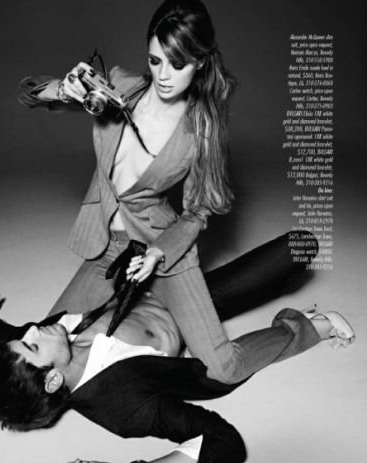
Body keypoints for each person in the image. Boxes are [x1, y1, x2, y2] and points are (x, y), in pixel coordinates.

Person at [17, 0, 298, 385]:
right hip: (106, 246)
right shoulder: (119, 88)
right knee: (50, 350)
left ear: (200, 62)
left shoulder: (202, 130)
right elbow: (28, 93)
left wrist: (157, 254)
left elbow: (197, 213)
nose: (163, 75)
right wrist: (62, 90)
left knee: (223, 369)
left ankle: (307, 327)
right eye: (155, 61)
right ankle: (151, 305)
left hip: (159, 246)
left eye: (177, 64)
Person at [0, 235, 355, 463]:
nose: (33, 330)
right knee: (294, 255)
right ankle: (308, 327)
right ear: (53, 379)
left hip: (163, 286)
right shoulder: (124, 408)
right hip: (198, 321)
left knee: (300, 246)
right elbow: (223, 442)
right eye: (31, 344)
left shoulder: (43, 338)